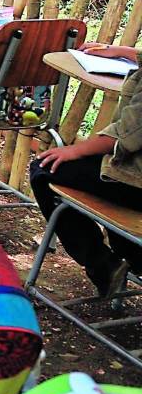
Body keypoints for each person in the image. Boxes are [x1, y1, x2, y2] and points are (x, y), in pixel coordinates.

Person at [32, 41, 142, 297]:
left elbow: (126, 136)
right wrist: (124, 52)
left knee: (44, 169)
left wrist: (73, 150)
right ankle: (126, 256)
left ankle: (103, 265)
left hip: (135, 180)